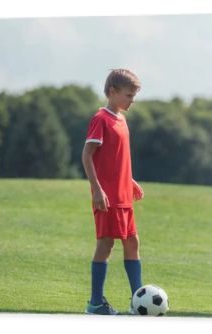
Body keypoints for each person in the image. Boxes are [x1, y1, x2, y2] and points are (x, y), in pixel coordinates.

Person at [82, 69, 144, 315]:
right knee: (106, 245)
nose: (132, 100)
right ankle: (95, 302)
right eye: (129, 95)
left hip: (123, 196)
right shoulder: (101, 119)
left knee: (132, 242)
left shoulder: (121, 119)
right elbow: (87, 155)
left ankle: (137, 301)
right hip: (107, 197)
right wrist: (97, 190)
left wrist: (129, 180)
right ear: (112, 92)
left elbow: (115, 158)